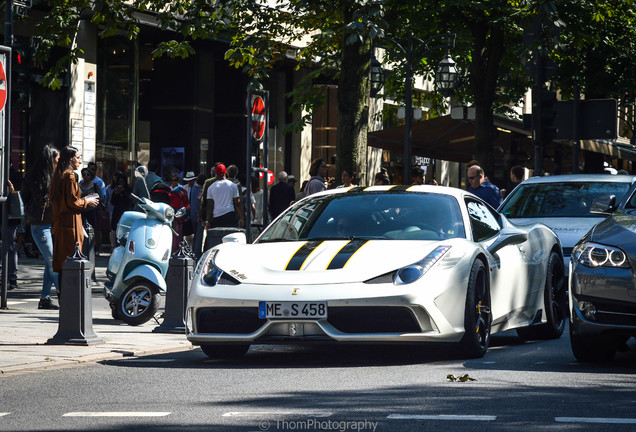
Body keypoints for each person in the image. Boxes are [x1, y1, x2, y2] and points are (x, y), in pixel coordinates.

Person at [49, 147, 99, 295]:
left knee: (64, 264)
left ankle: (64, 297)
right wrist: (87, 201)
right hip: (70, 224)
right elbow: (72, 203)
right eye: (78, 157)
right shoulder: (69, 176)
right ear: (71, 159)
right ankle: (69, 298)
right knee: (72, 261)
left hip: (61, 224)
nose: (80, 160)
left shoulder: (59, 175)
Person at [20, 144, 61, 309]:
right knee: (52, 261)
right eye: (57, 160)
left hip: (53, 224)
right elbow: (23, 199)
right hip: (40, 225)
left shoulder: (56, 176)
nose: (59, 163)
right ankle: (62, 293)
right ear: (50, 160)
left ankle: (45, 299)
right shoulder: (34, 177)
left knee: (49, 261)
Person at [205, 164, 244, 228]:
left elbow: (209, 205)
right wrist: (241, 218)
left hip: (217, 216)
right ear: (225, 172)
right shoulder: (233, 185)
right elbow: (237, 203)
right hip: (230, 215)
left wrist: (207, 220)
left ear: (216, 173)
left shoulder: (211, 188)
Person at [108, 170, 132, 247]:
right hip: (117, 211)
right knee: (114, 228)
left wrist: (124, 192)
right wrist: (116, 193)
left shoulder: (128, 189)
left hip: (125, 211)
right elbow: (112, 202)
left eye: (122, 181)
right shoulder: (115, 189)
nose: (121, 183)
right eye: (119, 181)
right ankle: (113, 245)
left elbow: (130, 200)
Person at [189, 173, 207, 258]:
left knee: (195, 235)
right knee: (199, 236)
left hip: (192, 215)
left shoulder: (192, 189)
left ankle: (192, 252)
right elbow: (201, 204)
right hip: (199, 216)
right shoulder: (202, 191)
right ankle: (197, 254)